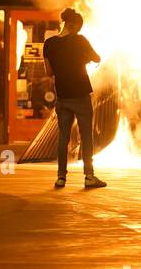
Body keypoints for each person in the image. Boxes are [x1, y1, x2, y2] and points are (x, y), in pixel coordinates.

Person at [43, 10, 107, 189]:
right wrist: (83, 59)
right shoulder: (80, 40)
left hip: (62, 97)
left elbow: (49, 72)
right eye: (78, 27)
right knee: (86, 136)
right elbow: (97, 57)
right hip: (80, 95)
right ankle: (89, 176)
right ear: (71, 24)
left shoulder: (49, 44)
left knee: (63, 137)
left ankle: (61, 177)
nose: (79, 31)